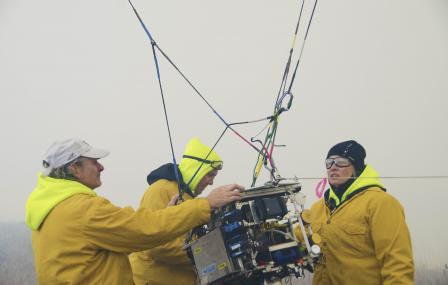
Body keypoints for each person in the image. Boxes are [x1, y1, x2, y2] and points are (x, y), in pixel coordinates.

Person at [25, 138, 244, 285]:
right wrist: (206, 205)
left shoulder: (52, 208)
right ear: (74, 168)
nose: (101, 167)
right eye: (94, 162)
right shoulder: (82, 209)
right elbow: (143, 229)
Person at [295, 140, 414, 285]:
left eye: (340, 162)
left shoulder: (380, 203)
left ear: (356, 168)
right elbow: (294, 240)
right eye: (329, 162)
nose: (333, 167)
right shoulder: (318, 208)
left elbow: (397, 265)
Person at [129, 137, 224, 285]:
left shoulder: (187, 198)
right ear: (196, 168)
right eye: (210, 174)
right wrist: (207, 255)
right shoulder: (161, 190)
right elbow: (156, 245)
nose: (211, 182)